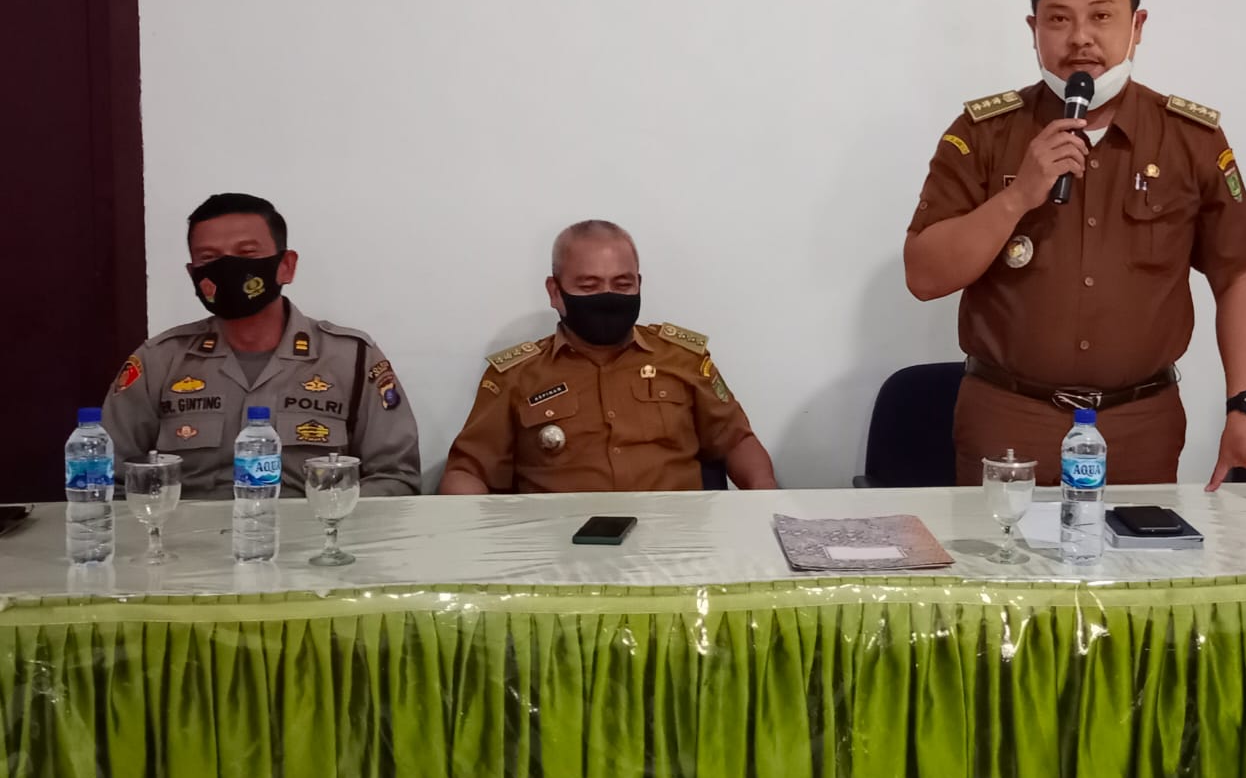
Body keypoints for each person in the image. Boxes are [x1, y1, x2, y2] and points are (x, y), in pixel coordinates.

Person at [903, 0, 1246, 505]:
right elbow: (923, 276)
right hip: (1009, 420)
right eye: (1058, 20)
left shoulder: (1190, 139)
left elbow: (1236, 275)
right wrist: (1018, 196)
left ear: (1136, 26)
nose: (1080, 38)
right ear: (1034, 29)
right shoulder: (982, 134)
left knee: (1136, 560)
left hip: (1139, 424)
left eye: (1101, 16)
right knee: (1000, 562)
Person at [101, 193, 421, 499]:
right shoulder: (159, 361)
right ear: (193, 273)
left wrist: (333, 518)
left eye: (247, 254)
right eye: (209, 258)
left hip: (314, 531)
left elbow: (396, 477)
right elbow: (108, 480)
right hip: (189, 534)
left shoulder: (353, 358)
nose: (228, 268)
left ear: (286, 266)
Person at [440, 220, 778, 493]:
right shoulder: (516, 376)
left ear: (639, 284)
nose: (608, 297)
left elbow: (737, 441)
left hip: (676, 541)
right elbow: (468, 471)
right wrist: (470, 537)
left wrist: (765, 500)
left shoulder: (683, 359)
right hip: (557, 545)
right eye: (588, 286)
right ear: (555, 292)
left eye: (622, 284)